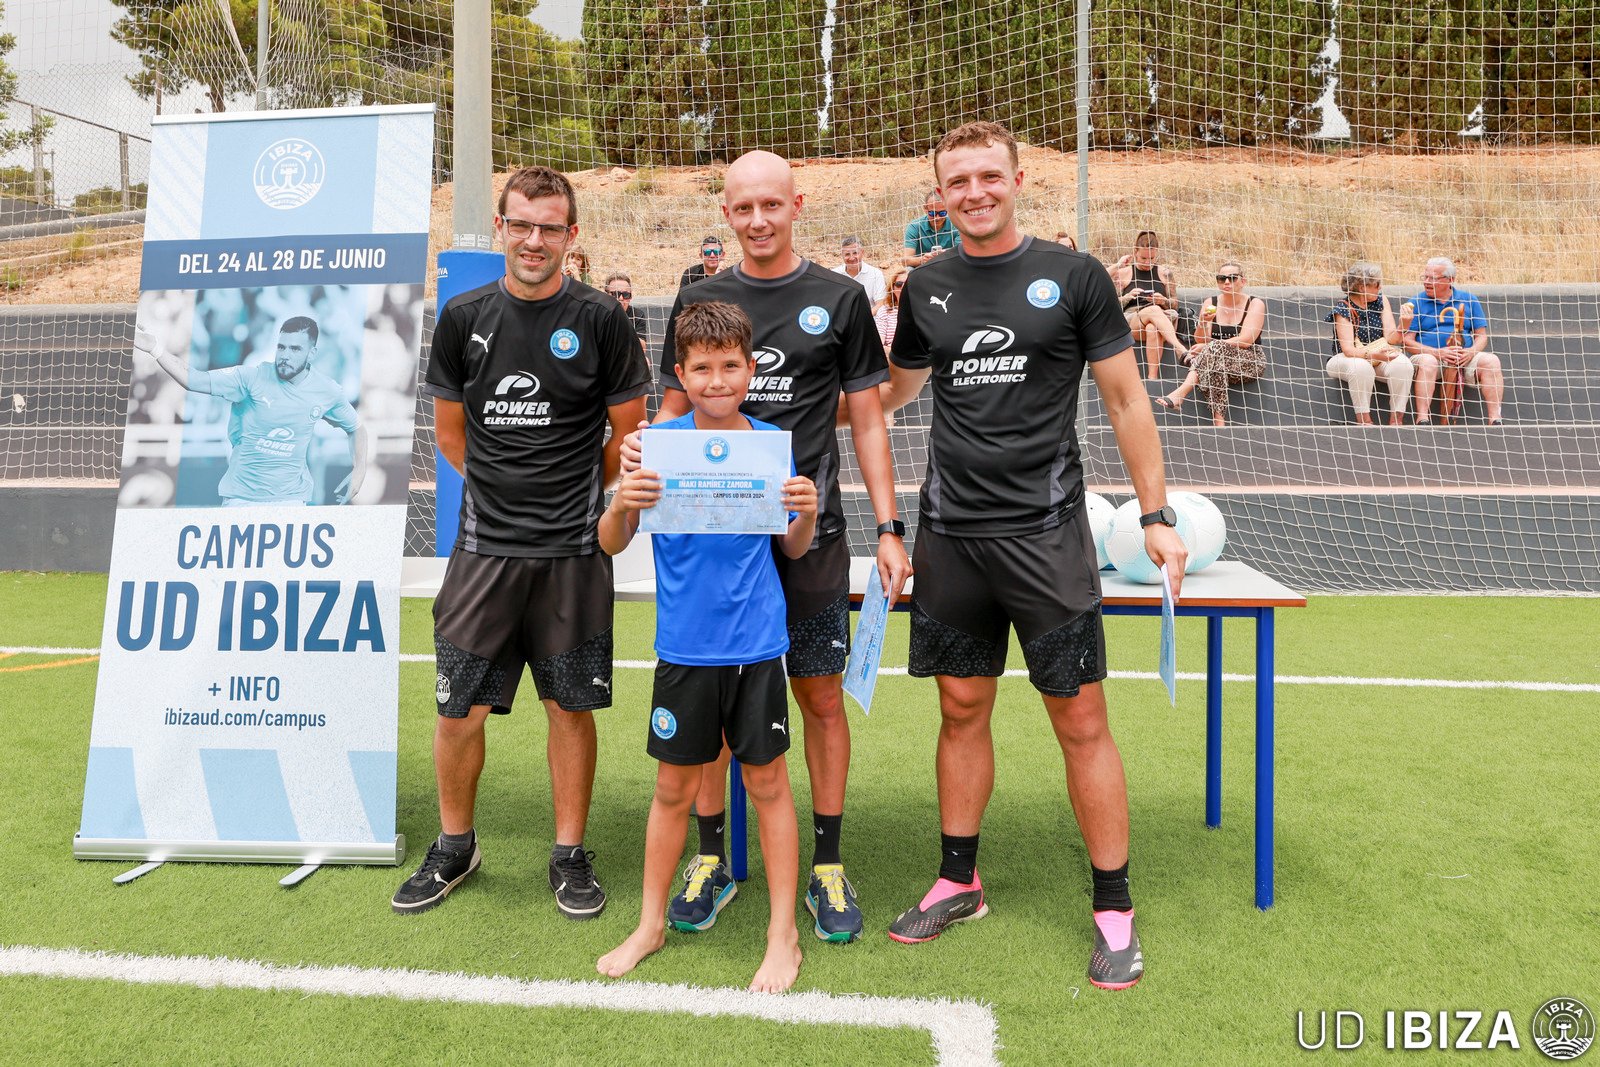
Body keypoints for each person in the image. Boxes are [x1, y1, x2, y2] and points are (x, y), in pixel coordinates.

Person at [878, 121, 1186, 990]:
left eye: (988, 176)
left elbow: (1126, 400)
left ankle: (1114, 908)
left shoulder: (1074, 276)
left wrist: (1156, 514)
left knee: (1080, 719)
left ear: (1017, 180)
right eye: (957, 182)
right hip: (951, 538)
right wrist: (786, 402)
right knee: (960, 709)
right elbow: (893, 392)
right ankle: (959, 880)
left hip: (1048, 537)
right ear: (939, 195)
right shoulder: (927, 286)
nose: (973, 193)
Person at [641, 149, 912, 945]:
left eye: (771, 204)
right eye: (743, 207)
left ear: (797, 204)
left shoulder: (839, 297)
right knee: (716, 704)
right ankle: (711, 856)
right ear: (726, 213)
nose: (758, 220)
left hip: (807, 538)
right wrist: (640, 457)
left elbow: (868, 421)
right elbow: (670, 412)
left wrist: (889, 527)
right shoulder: (701, 295)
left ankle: (827, 862)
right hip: (714, 543)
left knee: (820, 697)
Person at [391, 165, 650, 919]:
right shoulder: (462, 315)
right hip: (485, 551)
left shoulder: (600, 318)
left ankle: (569, 853)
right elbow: (450, 434)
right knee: (457, 712)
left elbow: (629, 435)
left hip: (574, 552)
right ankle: (455, 845)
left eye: (550, 227)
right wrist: (506, 491)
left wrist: (574, 490)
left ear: (572, 236)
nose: (535, 240)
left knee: (569, 708)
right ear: (502, 227)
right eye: (522, 225)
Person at [595, 300, 814, 993]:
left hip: (754, 646)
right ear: (681, 374)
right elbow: (610, 541)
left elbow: (793, 547)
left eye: (729, 366)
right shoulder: (654, 444)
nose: (716, 380)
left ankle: (783, 936)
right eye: (701, 368)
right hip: (684, 649)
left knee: (768, 784)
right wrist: (623, 500)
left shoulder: (770, 444)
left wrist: (805, 513)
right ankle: (648, 924)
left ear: (750, 370)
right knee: (671, 790)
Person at [134, 315, 368, 506]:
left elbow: (356, 427)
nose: (285, 355)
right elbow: (194, 379)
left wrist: (359, 470)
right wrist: (155, 349)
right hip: (241, 500)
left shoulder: (327, 390)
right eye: (281, 347)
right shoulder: (250, 377)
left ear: (312, 353)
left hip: (290, 501)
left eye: (295, 349)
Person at [1154, 261, 1267, 426]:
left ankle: (1181, 392)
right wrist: (1203, 323)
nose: (1226, 282)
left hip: (1249, 361)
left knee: (1214, 350)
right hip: (1217, 361)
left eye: (1232, 278)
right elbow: (1200, 340)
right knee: (1215, 360)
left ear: (1243, 281)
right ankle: (1218, 422)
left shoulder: (1255, 303)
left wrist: (1210, 346)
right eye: (1221, 278)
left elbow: (1246, 340)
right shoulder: (1210, 303)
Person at [1402, 257, 1505, 425]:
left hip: (1464, 357)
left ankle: (1495, 419)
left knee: (1491, 361)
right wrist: (1437, 353)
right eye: (1425, 277)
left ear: (1450, 280)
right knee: (1428, 362)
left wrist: (1471, 352)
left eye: (1433, 278)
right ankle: (1422, 419)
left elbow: (1481, 336)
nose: (1426, 282)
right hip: (1430, 358)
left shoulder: (1469, 299)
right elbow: (1406, 341)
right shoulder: (1416, 302)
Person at [1324, 262, 1414, 426]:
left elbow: (1392, 339)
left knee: (1403, 364)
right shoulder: (1343, 308)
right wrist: (1374, 355)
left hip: (1378, 356)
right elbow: (1348, 350)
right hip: (1345, 359)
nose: (1380, 288)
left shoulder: (1381, 300)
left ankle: (1396, 420)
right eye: (1376, 284)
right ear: (1361, 287)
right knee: (1361, 367)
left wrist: (1404, 325)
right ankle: (1365, 421)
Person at [1109, 231, 1187, 378]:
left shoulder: (1165, 273)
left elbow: (1175, 304)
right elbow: (1111, 305)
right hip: (1133, 320)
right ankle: (1179, 349)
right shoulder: (1124, 273)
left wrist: (1163, 301)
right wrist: (1127, 297)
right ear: (1135, 252)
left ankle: (1152, 379)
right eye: (1143, 258)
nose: (1147, 263)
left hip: (1162, 319)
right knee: (1152, 310)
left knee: (1152, 328)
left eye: (1152, 258)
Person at [902, 189, 962, 267]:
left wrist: (946, 254)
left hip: (950, 265)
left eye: (942, 213)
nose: (937, 218)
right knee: (908, 270)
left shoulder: (956, 224)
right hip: (923, 267)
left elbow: (962, 254)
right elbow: (905, 261)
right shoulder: (914, 226)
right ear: (925, 209)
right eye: (932, 213)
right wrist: (922, 260)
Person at [832, 235, 888, 310]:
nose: (852, 258)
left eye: (855, 253)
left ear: (862, 252)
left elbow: (880, 304)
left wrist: (865, 316)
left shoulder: (876, 274)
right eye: (847, 254)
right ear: (842, 255)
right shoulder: (834, 274)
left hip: (869, 315)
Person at [604, 272, 648, 354]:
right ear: (606, 295)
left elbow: (642, 348)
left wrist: (622, 321)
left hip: (627, 355)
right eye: (615, 294)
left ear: (630, 297)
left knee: (646, 360)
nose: (621, 298)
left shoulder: (637, 314)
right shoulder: (599, 314)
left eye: (626, 294)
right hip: (604, 355)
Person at [876, 269, 908, 351]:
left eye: (907, 284)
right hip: (890, 352)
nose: (903, 287)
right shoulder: (884, 310)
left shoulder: (919, 309)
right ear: (892, 287)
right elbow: (879, 340)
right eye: (899, 284)